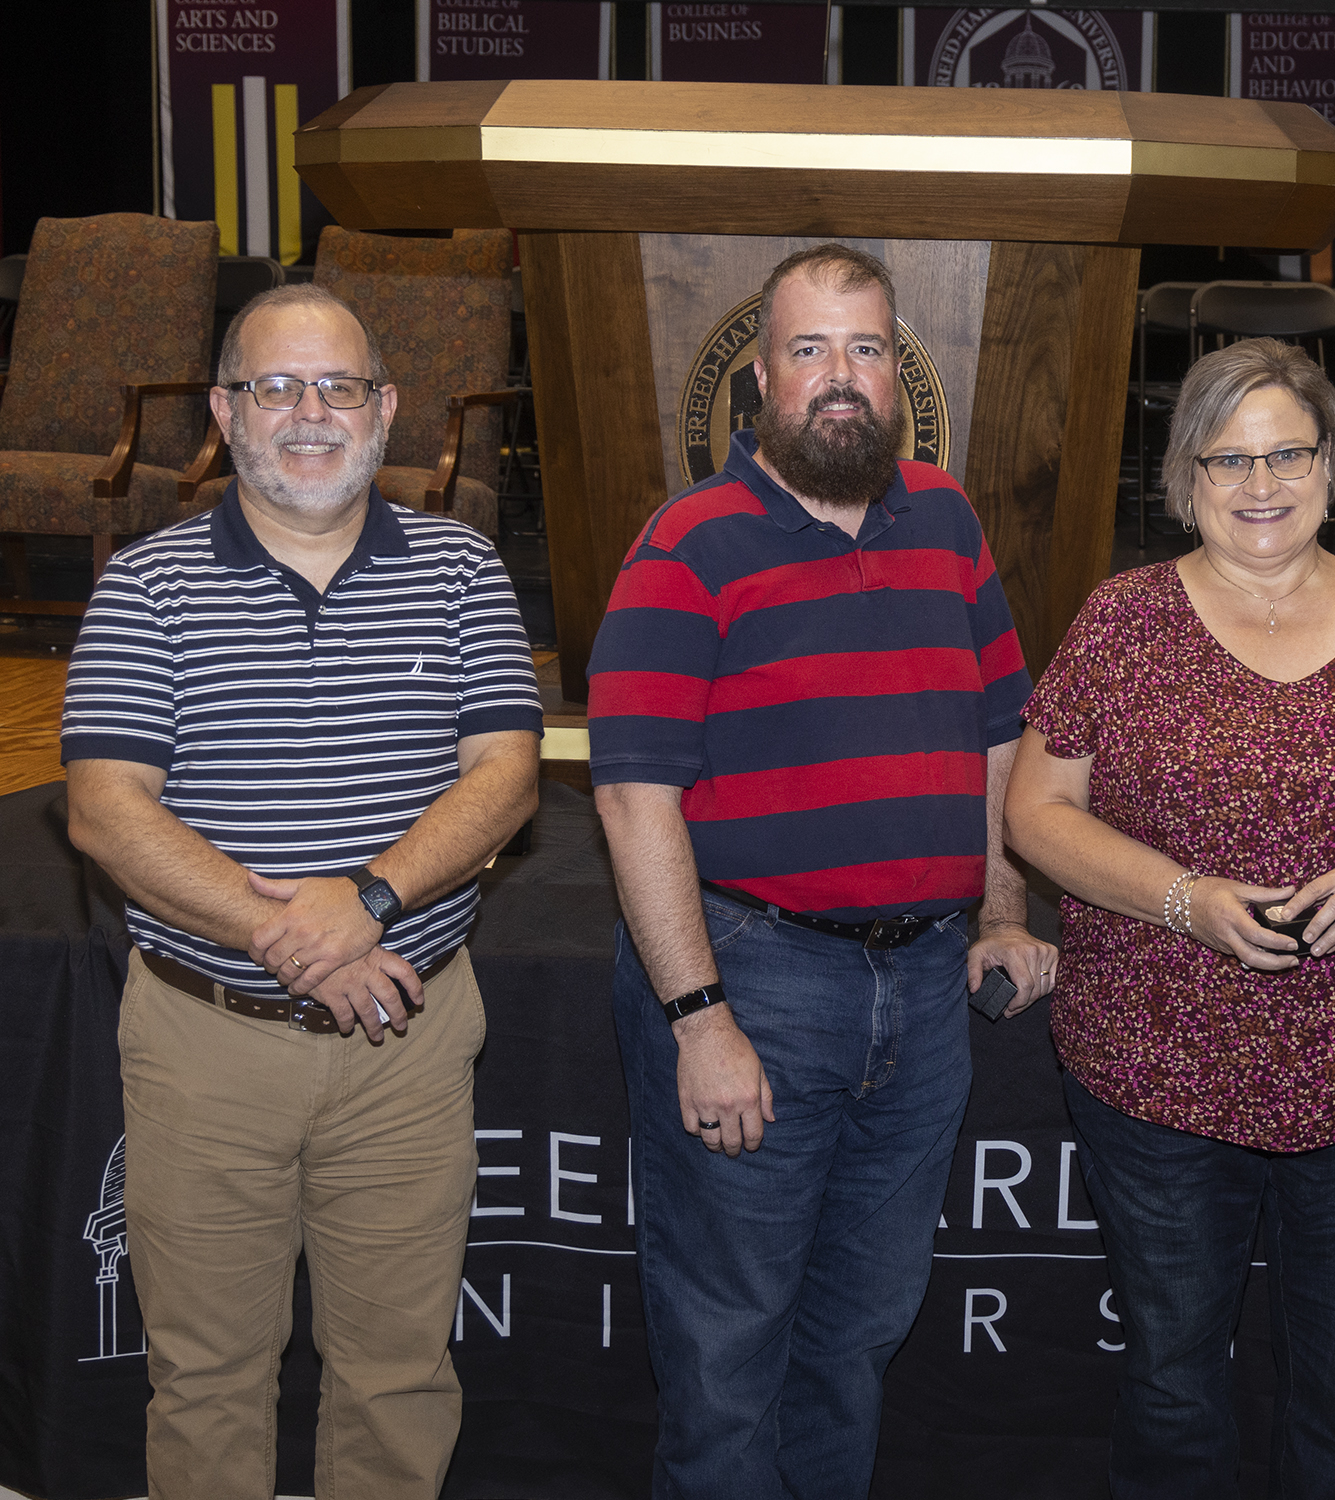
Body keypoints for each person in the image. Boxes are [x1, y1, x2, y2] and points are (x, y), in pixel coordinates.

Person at [1004, 337, 1335, 1495]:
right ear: (1184, 478)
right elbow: (1037, 812)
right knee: (1172, 1384)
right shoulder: (1122, 621)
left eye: (1287, 452)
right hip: (1157, 1067)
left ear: (1331, 465)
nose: (1260, 485)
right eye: (1226, 458)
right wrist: (1184, 901)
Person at [587, 242, 1058, 1499]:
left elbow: (1002, 730)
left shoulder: (947, 520)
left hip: (922, 990)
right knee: (728, 1356)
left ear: (896, 371)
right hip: (755, 982)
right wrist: (698, 1017)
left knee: (855, 1339)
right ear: (758, 378)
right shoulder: (687, 546)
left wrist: (1004, 907)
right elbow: (634, 797)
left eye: (865, 350)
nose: (839, 378)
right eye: (809, 351)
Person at [60, 282, 543, 1499]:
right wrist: (297, 928)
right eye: (277, 387)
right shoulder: (148, 584)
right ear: (225, 412)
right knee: (208, 1375)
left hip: (410, 1045)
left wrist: (366, 899)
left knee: (397, 1375)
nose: (310, 413)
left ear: (384, 411)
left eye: (339, 387)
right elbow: (105, 808)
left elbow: (507, 777)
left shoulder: (461, 566)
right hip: (202, 1043)